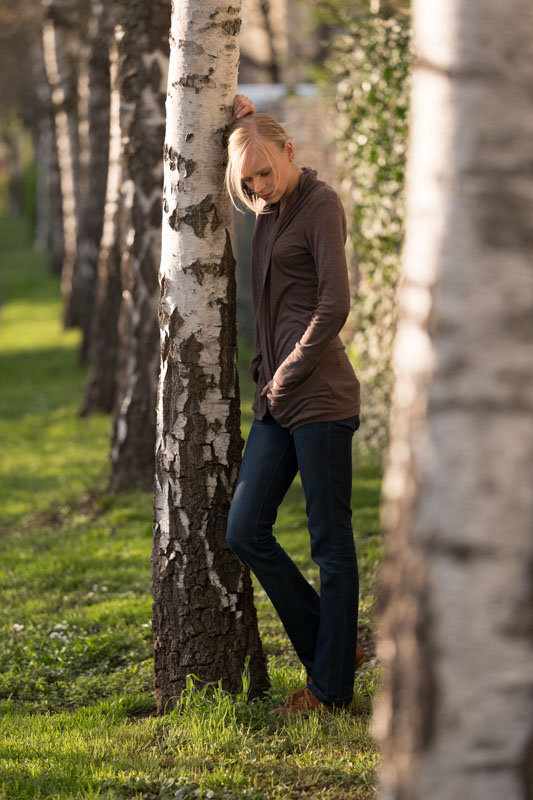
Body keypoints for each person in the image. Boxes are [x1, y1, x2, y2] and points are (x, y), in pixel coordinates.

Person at [225, 94, 364, 715]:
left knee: (330, 543)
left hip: (320, 396)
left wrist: (285, 374)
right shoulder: (268, 206)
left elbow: (334, 304)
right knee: (245, 530)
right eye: (247, 180)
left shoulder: (319, 204)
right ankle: (337, 650)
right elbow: (245, 146)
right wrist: (236, 120)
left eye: (264, 172)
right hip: (276, 400)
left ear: (290, 151)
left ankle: (330, 690)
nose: (257, 187)